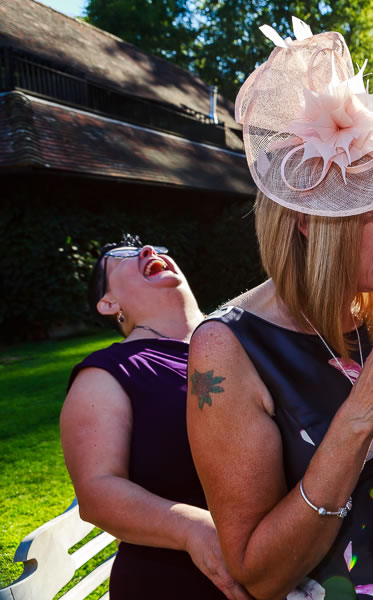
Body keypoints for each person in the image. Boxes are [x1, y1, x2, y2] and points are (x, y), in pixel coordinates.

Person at [186, 21, 373, 600]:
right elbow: (257, 573)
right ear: (311, 222)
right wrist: (358, 415)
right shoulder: (227, 349)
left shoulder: (369, 313)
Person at [60, 235, 249, 600]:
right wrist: (194, 530)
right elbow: (97, 491)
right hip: (177, 584)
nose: (148, 251)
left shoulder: (248, 340)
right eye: (123, 256)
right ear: (108, 303)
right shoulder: (107, 373)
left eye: (155, 249)